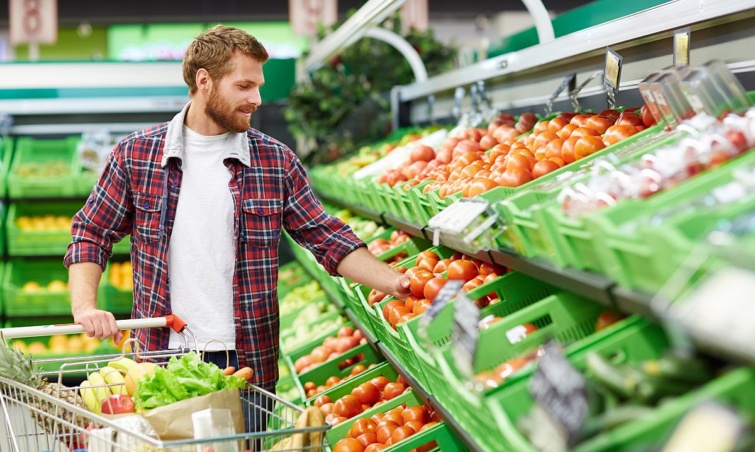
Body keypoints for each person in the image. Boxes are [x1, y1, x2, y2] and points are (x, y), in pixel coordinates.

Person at [64, 24, 410, 403]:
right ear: (204, 81)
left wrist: (398, 284)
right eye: (244, 86)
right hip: (161, 360)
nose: (257, 99)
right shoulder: (137, 155)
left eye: (258, 86)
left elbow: (327, 239)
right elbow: (91, 232)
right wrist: (86, 307)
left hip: (248, 363)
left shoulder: (274, 161)